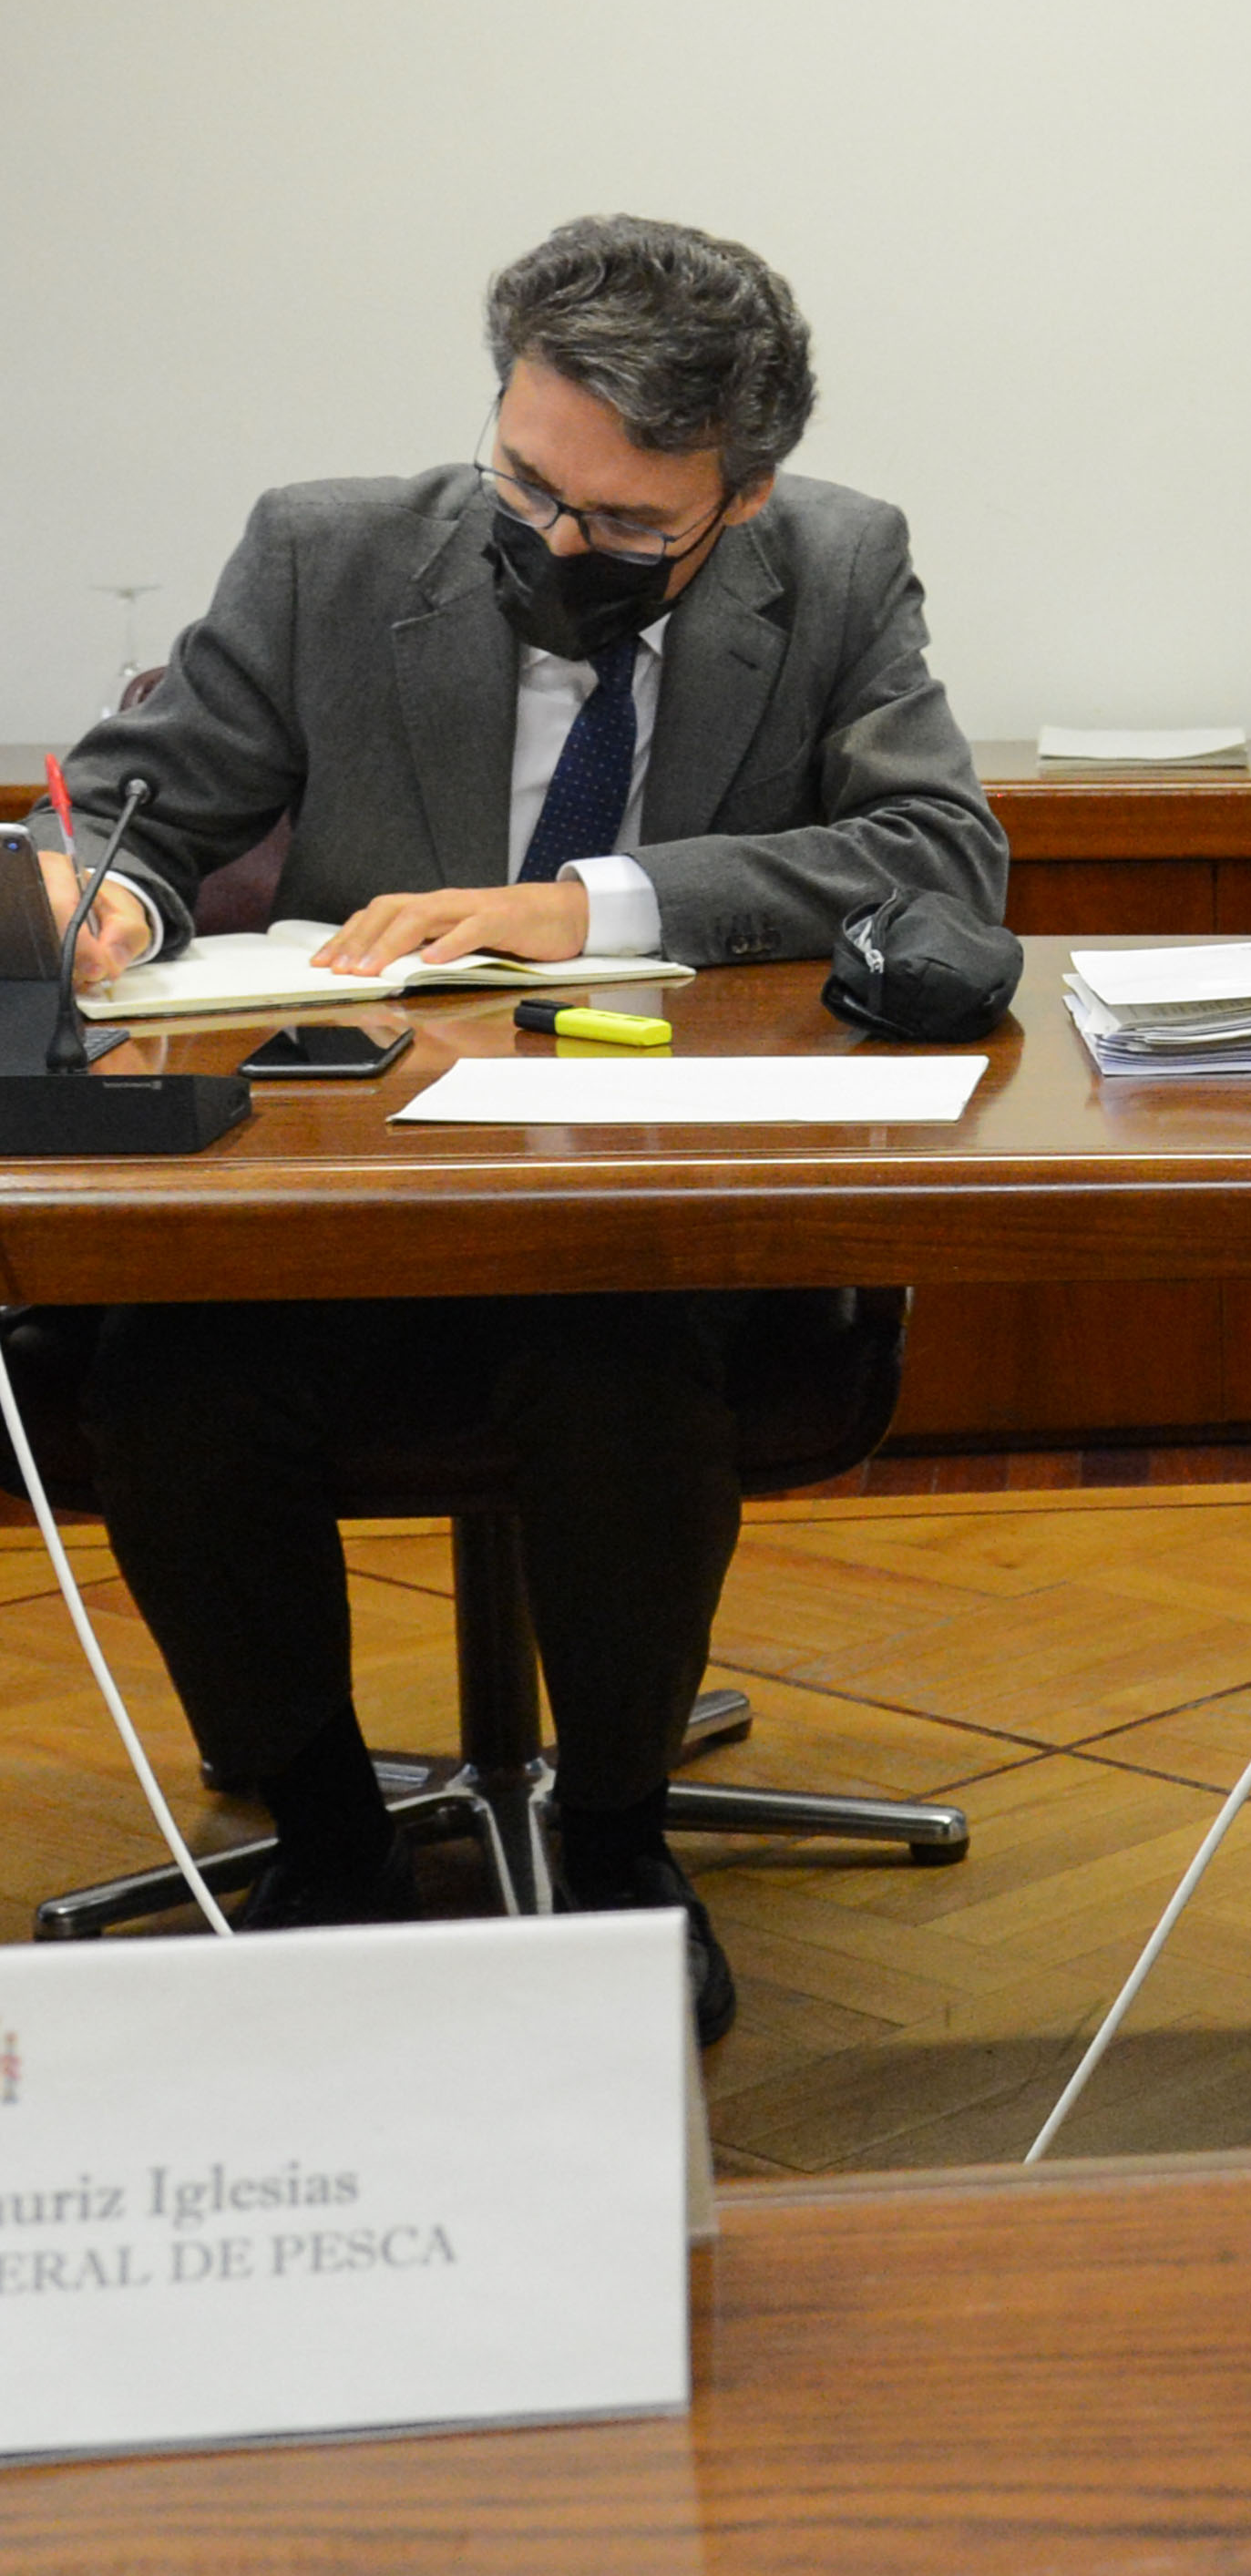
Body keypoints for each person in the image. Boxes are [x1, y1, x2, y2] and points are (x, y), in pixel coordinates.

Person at [36, 215, 1004, 2035]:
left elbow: (942, 858)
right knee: (173, 1380)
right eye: (525, 483)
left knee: (616, 1363)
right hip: (337, 1193)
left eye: (625, 522)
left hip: (642, 1196)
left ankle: (621, 1835)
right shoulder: (323, 551)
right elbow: (139, 812)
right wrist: (108, 904)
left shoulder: (838, 563)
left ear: (743, 492)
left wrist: (597, 903)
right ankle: (325, 1831)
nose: (556, 541)